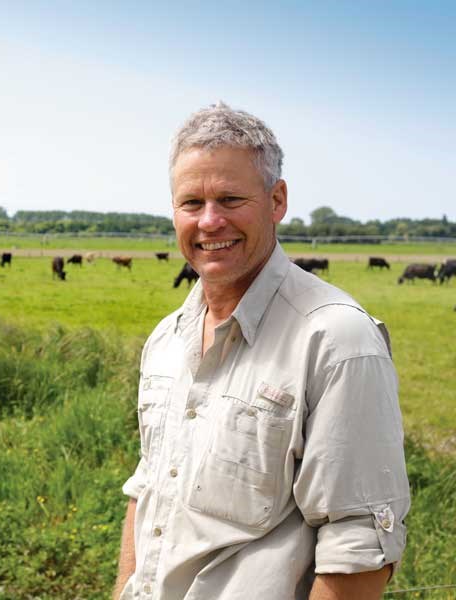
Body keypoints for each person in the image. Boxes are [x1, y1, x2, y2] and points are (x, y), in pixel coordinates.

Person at [114, 102, 409, 600]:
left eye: (230, 198)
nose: (209, 222)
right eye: (191, 203)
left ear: (277, 200)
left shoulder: (336, 342)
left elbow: (358, 553)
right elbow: (147, 493)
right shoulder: (166, 339)